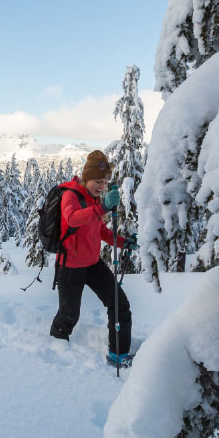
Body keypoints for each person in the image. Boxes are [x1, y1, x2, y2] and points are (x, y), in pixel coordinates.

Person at [49, 150, 136, 367]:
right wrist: (102, 207)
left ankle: (118, 355)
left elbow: (101, 232)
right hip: (69, 265)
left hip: (93, 263)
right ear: (86, 177)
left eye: (104, 182)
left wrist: (123, 242)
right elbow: (72, 219)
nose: (101, 186)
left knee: (119, 305)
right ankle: (53, 353)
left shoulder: (93, 199)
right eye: (98, 181)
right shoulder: (71, 195)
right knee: (69, 316)